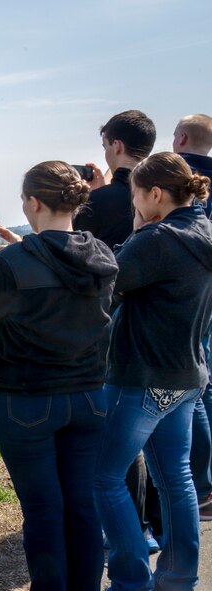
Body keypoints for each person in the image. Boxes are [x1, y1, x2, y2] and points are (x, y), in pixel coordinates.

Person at [0, 161, 118, 590]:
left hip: (25, 398)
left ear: (32, 202)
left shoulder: (13, 261)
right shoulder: (100, 253)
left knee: (44, 510)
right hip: (88, 395)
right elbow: (62, 264)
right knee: (82, 506)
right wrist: (24, 248)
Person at [94, 152, 212, 591]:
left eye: (136, 196)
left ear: (155, 194)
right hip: (187, 375)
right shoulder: (203, 232)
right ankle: (179, 579)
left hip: (142, 376)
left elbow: (107, 286)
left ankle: (130, 581)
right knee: (176, 479)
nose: (135, 204)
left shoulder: (157, 239)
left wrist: (137, 233)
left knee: (102, 477)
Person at [74, 109, 161, 551]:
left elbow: (77, 252)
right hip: (153, 322)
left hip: (103, 319)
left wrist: (93, 194)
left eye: (106, 142)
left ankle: (120, 527)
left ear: (116, 146)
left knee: (110, 427)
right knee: (147, 434)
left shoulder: (100, 202)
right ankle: (147, 523)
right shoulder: (158, 195)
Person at [173, 114, 212, 521]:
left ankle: (201, 483)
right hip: (207, 292)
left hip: (179, 294)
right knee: (205, 380)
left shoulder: (177, 176)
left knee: (193, 389)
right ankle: (205, 481)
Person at [74, 110, 157, 250]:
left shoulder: (94, 202)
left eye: (105, 146)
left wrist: (94, 197)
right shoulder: (165, 196)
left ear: (117, 146)